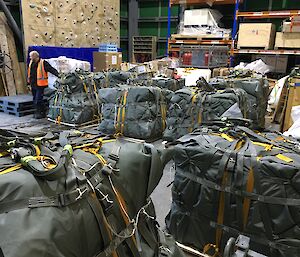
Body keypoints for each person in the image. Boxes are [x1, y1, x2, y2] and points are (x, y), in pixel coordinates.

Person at [27, 51, 59, 119]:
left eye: (31, 56)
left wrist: (59, 75)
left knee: (38, 99)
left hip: (40, 85)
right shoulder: (31, 63)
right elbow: (30, 74)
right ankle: (39, 111)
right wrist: (28, 84)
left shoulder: (43, 63)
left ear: (35, 56)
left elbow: (51, 69)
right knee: (35, 99)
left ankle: (41, 112)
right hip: (33, 84)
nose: (30, 58)